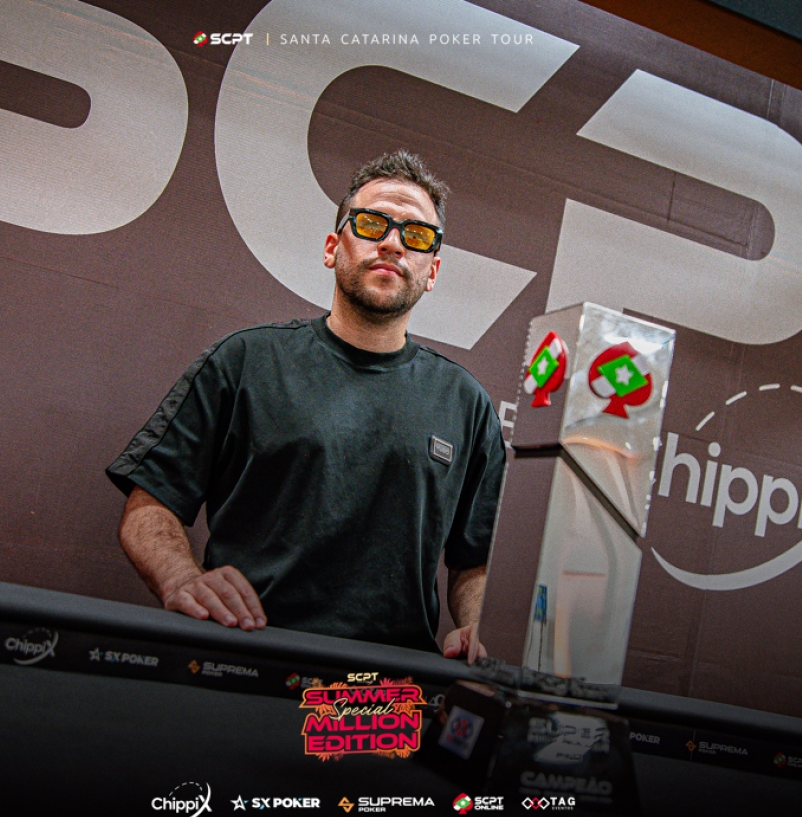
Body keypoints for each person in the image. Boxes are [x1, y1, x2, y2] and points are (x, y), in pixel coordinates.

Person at [107, 151, 504, 659]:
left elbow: (476, 559)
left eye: (418, 235)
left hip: (387, 687)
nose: (392, 243)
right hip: (242, 660)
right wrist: (180, 577)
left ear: (432, 271)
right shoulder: (245, 361)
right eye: (372, 223)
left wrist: (475, 625)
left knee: (377, 721)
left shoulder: (466, 404)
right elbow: (149, 506)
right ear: (332, 248)